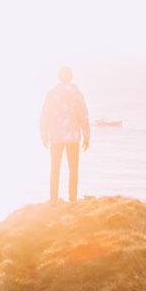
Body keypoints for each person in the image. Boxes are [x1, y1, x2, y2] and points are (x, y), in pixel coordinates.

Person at [39, 66, 90, 203]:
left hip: (55, 136)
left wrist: (44, 135)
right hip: (73, 136)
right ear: (71, 77)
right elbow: (83, 115)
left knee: (55, 169)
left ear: (59, 77)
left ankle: (54, 200)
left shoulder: (51, 94)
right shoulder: (77, 94)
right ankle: (72, 200)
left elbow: (44, 115)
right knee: (73, 169)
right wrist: (86, 135)